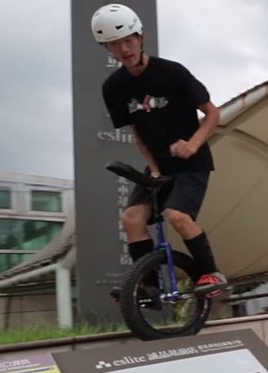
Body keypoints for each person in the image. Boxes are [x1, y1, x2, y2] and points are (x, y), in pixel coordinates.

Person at [91, 4, 227, 300]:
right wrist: (153, 169)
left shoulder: (172, 72)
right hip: (159, 166)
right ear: (107, 48)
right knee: (131, 219)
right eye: (114, 44)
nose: (124, 49)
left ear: (141, 37)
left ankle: (211, 274)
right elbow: (138, 134)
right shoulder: (114, 87)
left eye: (128, 40)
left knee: (177, 215)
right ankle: (148, 285)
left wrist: (192, 144)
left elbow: (213, 113)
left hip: (192, 163)